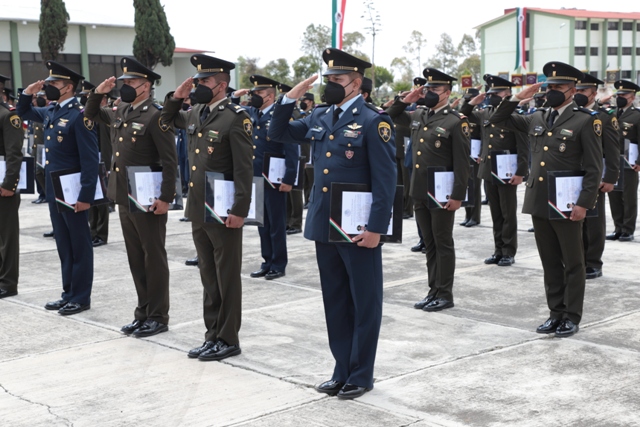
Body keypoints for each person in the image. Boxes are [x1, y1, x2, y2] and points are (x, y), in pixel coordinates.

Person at [268, 48, 396, 400]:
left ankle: (361, 374)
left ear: (355, 84)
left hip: (358, 228)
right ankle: (341, 370)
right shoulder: (320, 115)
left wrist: (376, 228)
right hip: (325, 223)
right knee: (336, 301)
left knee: (364, 302)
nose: (329, 86)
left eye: (337, 80)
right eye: (328, 80)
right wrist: (289, 97)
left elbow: (386, 181)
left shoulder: (373, 121)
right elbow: (278, 132)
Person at [489, 62, 602, 337]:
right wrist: (517, 97)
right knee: (550, 262)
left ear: (572, 90)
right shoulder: (537, 116)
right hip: (540, 200)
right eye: (549, 86)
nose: (551, 91)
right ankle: (555, 313)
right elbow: (498, 119)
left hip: (567, 202)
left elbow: (594, 167)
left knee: (572, 263)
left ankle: (571, 316)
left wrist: (584, 203)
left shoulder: (585, 120)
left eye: (558, 87)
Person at [161, 54, 254, 361]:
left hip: (224, 210)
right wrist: (177, 97)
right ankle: (211, 334)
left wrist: (240, 209)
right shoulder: (196, 112)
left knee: (226, 276)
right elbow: (166, 120)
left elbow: (244, 169)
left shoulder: (236, 117)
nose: (199, 85)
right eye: (197, 80)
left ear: (222, 85)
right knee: (208, 275)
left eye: (205, 81)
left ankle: (228, 338)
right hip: (199, 207)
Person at [84, 57, 178, 337]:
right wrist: (98, 92)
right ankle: (143, 312)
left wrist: (166, 198)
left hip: (148, 198)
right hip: (124, 195)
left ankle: (158, 316)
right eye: (123, 82)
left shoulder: (156, 115)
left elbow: (170, 161)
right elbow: (91, 113)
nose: (125, 86)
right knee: (136, 258)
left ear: (145, 86)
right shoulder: (121, 109)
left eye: (131, 82)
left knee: (153, 257)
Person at [16, 62, 99, 314]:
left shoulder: (79, 116)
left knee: (79, 244)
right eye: (49, 83)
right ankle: (68, 293)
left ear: (68, 87)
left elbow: (90, 160)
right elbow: (24, 112)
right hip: (55, 189)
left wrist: (86, 195)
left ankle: (81, 297)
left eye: (54, 83)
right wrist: (27, 93)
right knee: (63, 242)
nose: (49, 87)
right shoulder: (52, 111)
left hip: (73, 190)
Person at [386, 68, 470, 312]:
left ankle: (445, 294)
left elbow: (462, 163)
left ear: (447, 93)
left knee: (443, 243)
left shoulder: (456, 121)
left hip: (442, 193)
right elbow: (388, 116)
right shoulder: (419, 114)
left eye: (435, 89)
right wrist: (405, 100)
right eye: (427, 88)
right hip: (420, 190)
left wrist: (458, 196)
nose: (429, 92)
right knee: (429, 243)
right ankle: (433, 290)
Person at [234, 75, 298, 281]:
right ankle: (267, 261)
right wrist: (234, 97)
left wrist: (289, 179)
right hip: (256, 177)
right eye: (253, 93)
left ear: (270, 96)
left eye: (258, 93)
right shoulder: (252, 113)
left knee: (277, 224)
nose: (253, 96)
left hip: (275, 180)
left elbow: (292, 150)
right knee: (262, 224)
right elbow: (232, 111)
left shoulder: (280, 115)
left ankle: (278, 264)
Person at [461, 75, 529, 266]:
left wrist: (521, 172)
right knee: (495, 213)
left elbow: (523, 147)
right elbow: (464, 115)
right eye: (490, 93)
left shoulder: (515, 116)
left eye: (496, 93)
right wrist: (471, 102)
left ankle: (508, 251)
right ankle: (498, 250)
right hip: (488, 169)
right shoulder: (485, 113)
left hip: (508, 171)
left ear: (507, 94)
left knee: (508, 213)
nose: (491, 96)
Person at [574, 74, 620, 279]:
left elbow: (612, 150)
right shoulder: (572, 114)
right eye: (576, 90)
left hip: (595, 177)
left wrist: (610, 178)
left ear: (593, 94)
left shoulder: (605, 117)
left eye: (583, 91)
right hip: (572, 175)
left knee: (593, 221)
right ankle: (577, 260)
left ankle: (593, 262)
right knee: (574, 220)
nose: (578, 94)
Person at [79, 81, 112, 248]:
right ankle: (92, 232)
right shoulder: (87, 114)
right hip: (90, 158)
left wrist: (107, 165)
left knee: (102, 200)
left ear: (103, 99)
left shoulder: (104, 115)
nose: (87, 100)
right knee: (91, 197)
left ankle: (101, 233)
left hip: (102, 159)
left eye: (89, 96)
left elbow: (108, 143)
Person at [607, 79, 640, 242]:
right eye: (618, 95)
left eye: (624, 95)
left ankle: (628, 229)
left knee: (628, 196)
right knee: (613, 195)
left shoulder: (637, 115)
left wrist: (639, 161)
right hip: (612, 161)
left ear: (632, 97)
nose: (620, 98)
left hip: (629, 161)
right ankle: (618, 228)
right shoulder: (611, 113)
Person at [0, 74, 24, 299]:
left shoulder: (8, 115)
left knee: (7, 236)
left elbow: (14, 154)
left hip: (3, 186)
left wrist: (9, 184)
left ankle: (8, 283)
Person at [459, 87, 483, 228]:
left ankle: (475, 216)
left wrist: (481, 153)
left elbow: (484, 136)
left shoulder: (480, 114)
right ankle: (467, 214)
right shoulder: (463, 114)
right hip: (464, 153)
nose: (468, 102)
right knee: (465, 185)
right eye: (466, 99)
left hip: (476, 155)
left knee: (474, 187)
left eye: (470, 99)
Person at [299, 93, 316, 208]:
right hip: (302, 151)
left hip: (310, 152)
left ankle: (311, 200)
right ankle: (306, 200)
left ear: (310, 102)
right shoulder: (301, 115)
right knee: (304, 179)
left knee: (311, 179)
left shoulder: (313, 114)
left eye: (304, 101)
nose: (302, 103)